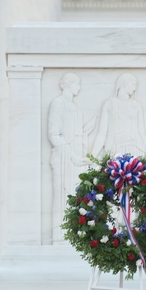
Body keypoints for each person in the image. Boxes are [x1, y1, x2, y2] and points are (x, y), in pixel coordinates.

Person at [47, 72, 94, 243]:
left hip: (75, 158)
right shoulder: (58, 104)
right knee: (63, 197)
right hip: (64, 158)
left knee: (77, 198)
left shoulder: (75, 107)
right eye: (77, 84)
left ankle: (77, 238)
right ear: (68, 84)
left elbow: (76, 135)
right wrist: (71, 155)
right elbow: (54, 135)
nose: (79, 87)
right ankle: (61, 237)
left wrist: (85, 134)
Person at [91, 72, 146, 158]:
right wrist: (92, 156)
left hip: (135, 149)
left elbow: (142, 133)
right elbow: (101, 134)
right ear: (124, 84)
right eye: (133, 84)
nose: (135, 88)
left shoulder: (136, 106)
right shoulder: (109, 104)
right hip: (115, 150)